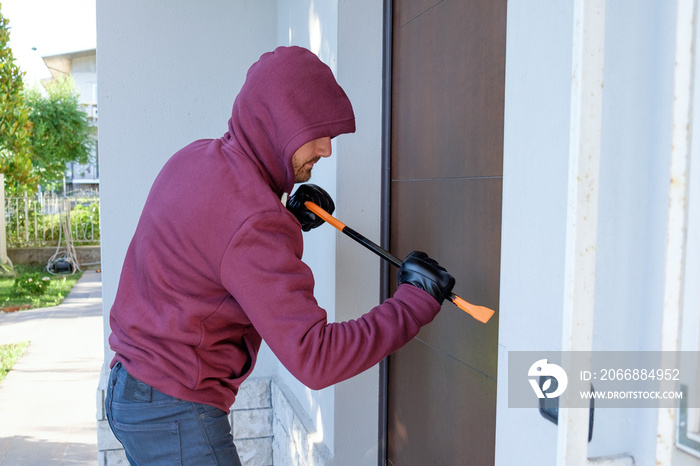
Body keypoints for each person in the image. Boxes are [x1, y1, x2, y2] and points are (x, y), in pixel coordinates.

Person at [105, 46, 454, 466]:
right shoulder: (253, 221)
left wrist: (281, 213)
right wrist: (414, 302)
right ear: (276, 123)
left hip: (131, 390)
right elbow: (316, 358)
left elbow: (214, 250)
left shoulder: (197, 157)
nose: (327, 149)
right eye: (315, 132)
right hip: (175, 411)